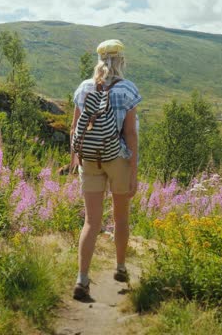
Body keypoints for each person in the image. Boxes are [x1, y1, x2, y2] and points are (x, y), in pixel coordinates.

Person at [70, 39, 142, 300]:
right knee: (121, 217)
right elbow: (130, 135)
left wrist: (76, 159)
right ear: (121, 61)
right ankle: (121, 268)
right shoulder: (127, 90)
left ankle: (82, 279)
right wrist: (133, 172)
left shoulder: (84, 88)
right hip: (118, 159)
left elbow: (74, 128)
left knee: (91, 221)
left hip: (89, 159)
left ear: (99, 60)